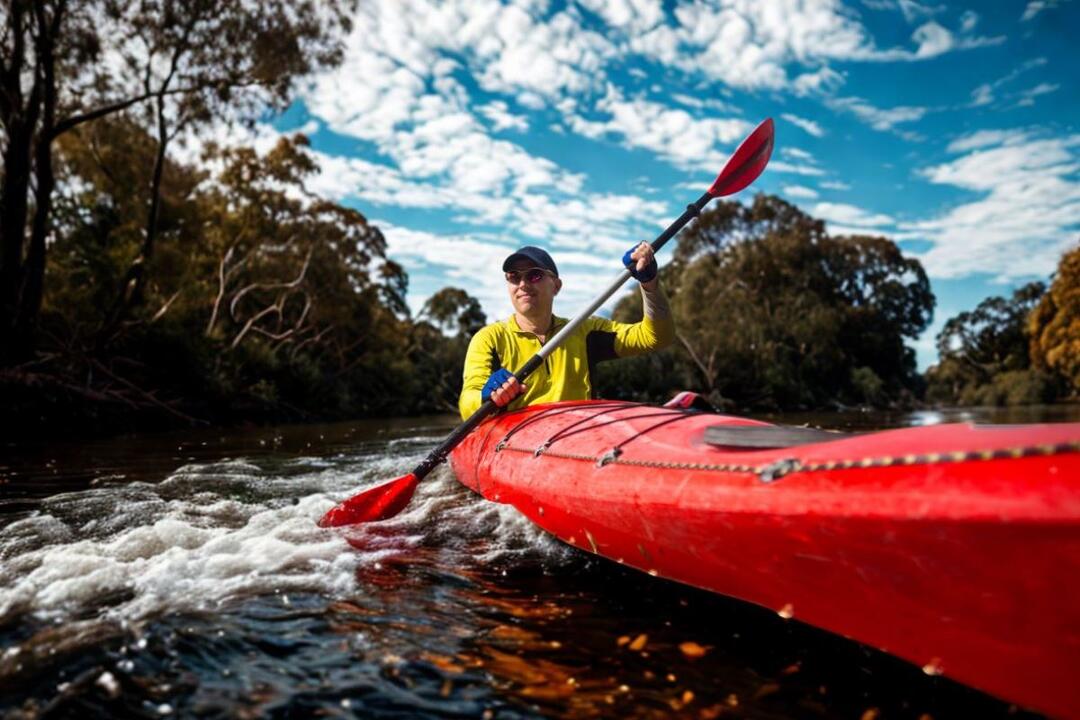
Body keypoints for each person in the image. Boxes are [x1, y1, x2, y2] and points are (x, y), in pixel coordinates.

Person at [458, 243, 674, 420]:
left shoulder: (584, 330)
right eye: (514, 276)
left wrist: (650, 284)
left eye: (534, 275)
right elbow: (467, 405)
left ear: (556, 286)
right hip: (514, 440)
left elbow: (654, 338)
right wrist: (485, 396)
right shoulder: (488, 338)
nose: (523, 283)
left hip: (576, 432)